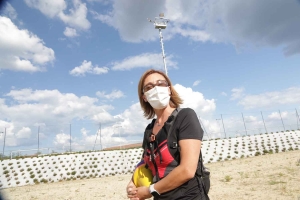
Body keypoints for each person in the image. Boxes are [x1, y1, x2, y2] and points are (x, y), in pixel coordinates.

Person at [126, 69, 208, 200]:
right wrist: (133, 182)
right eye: (149, 87)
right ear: (144, 97)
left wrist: (149, 191)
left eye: (161, 84)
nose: (156, 89)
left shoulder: (185, 116)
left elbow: (187, 170)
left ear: (169, 89)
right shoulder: (149, 129)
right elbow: (145, 162)